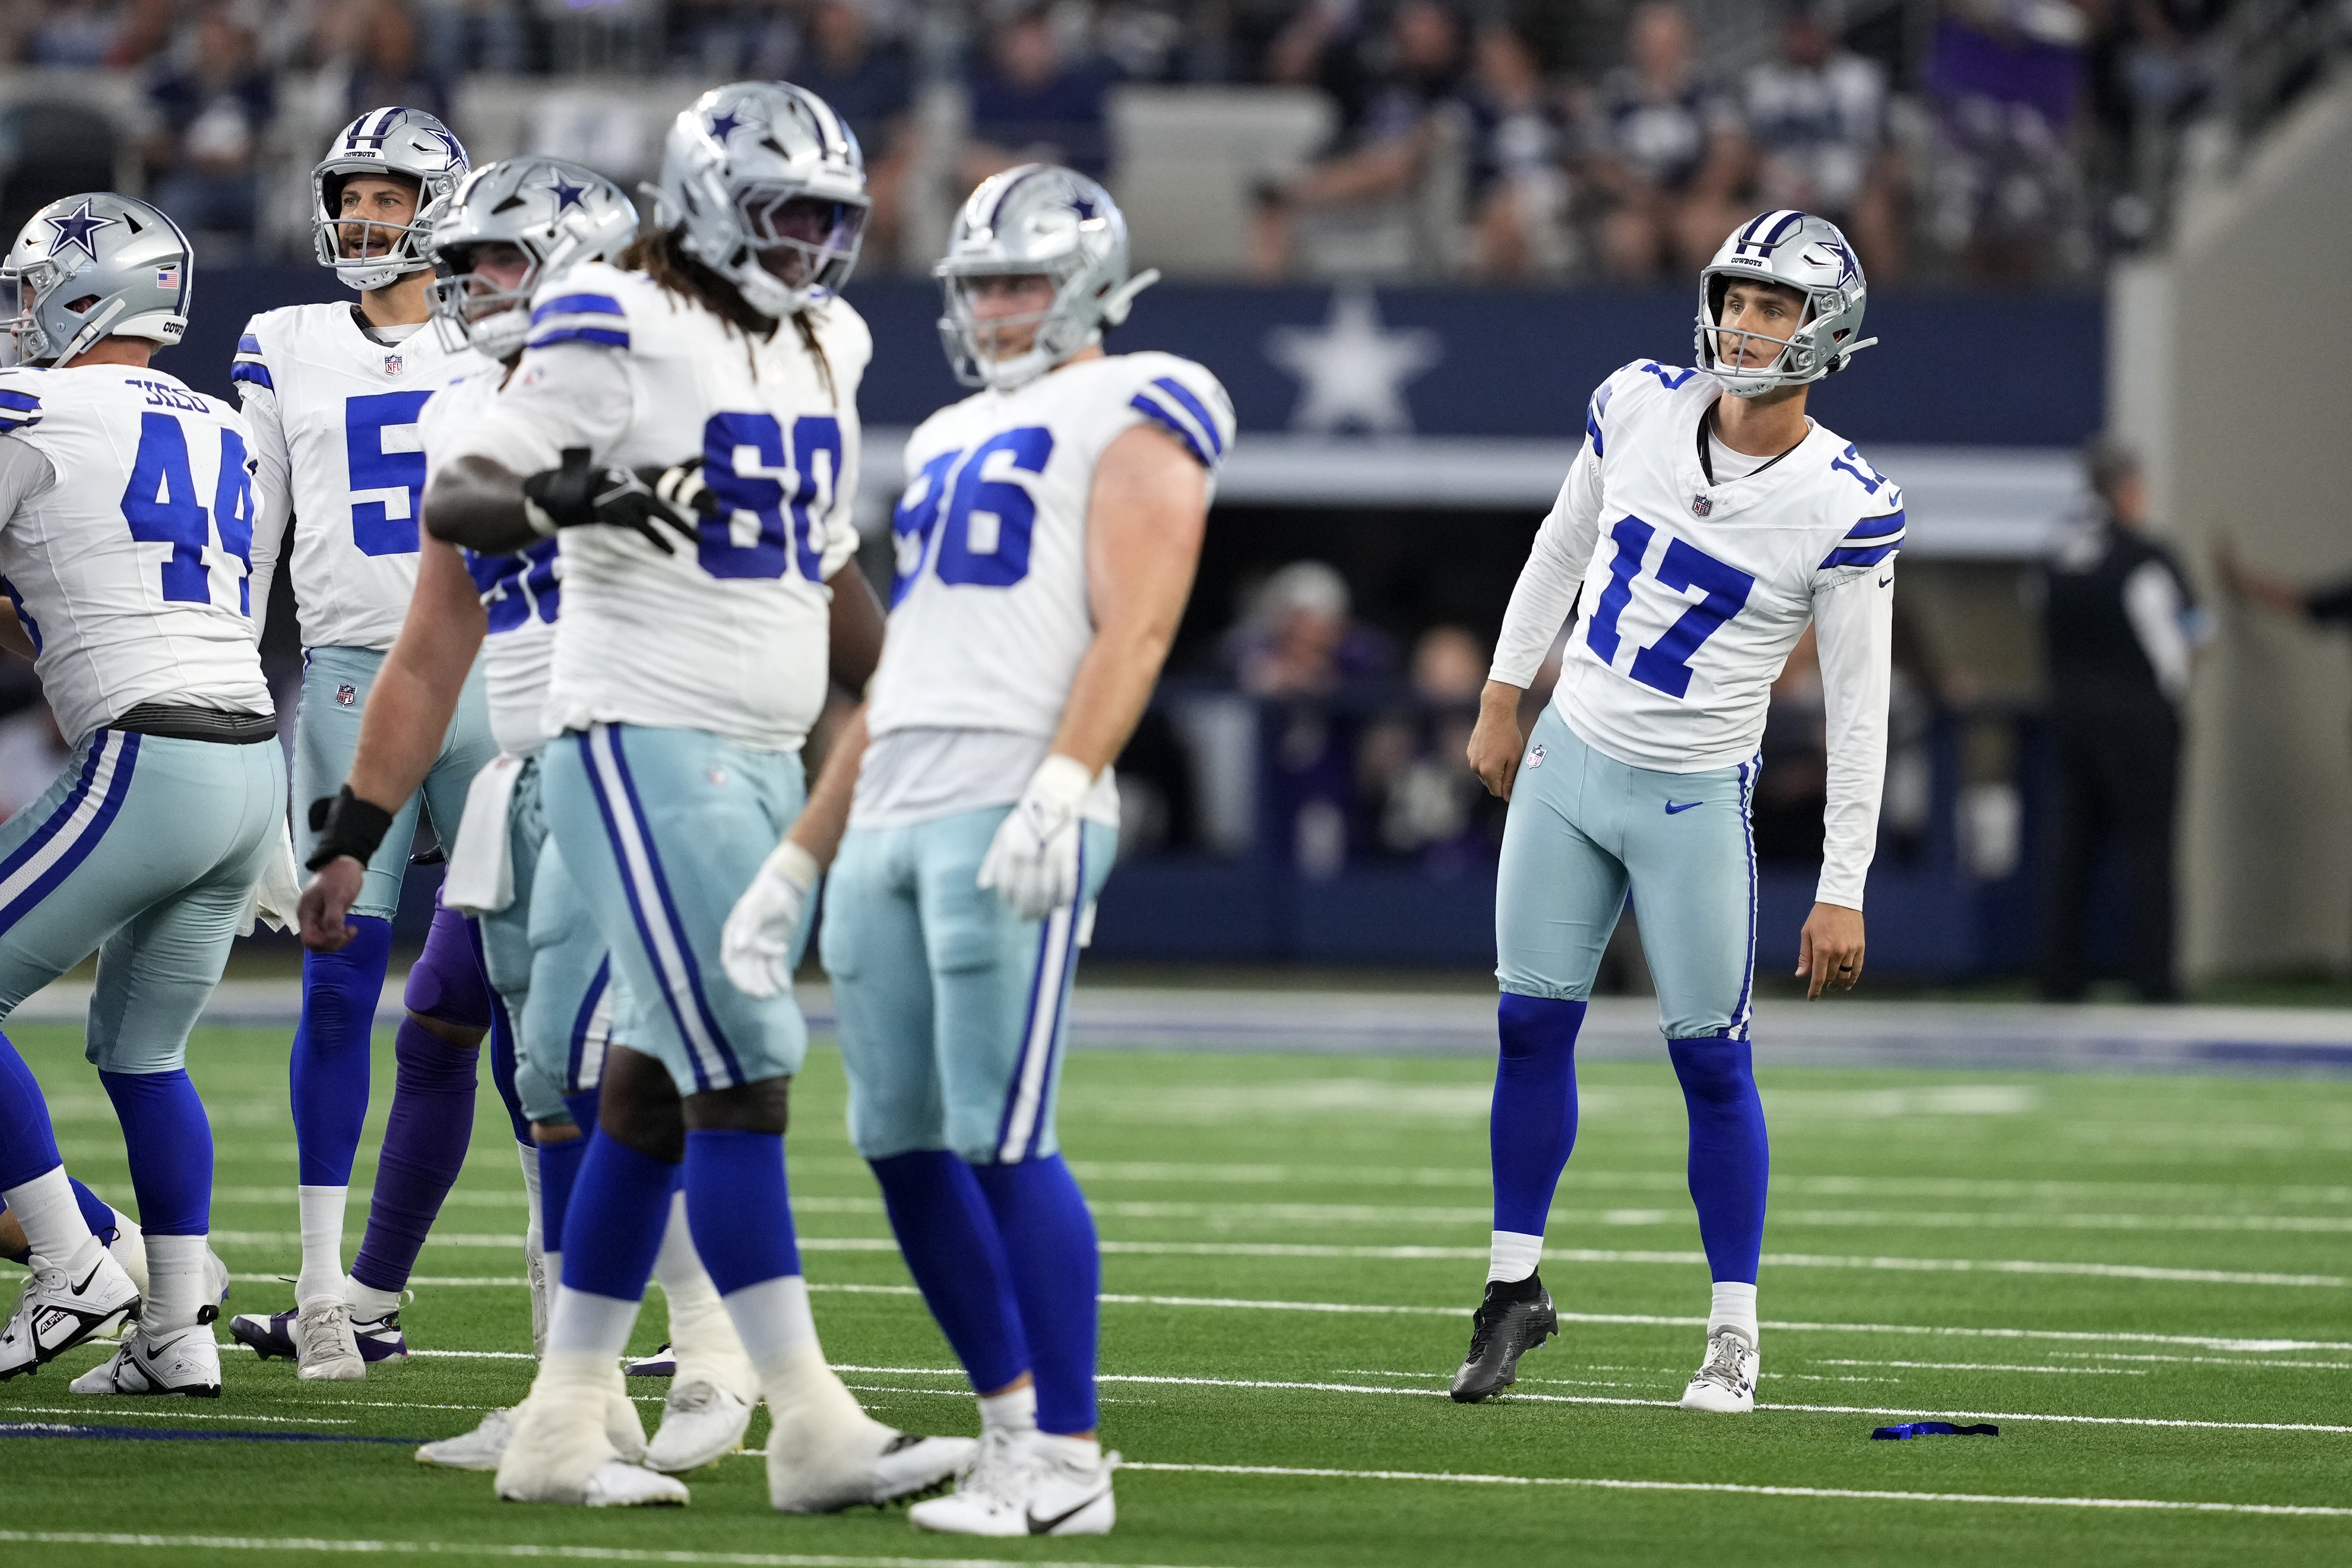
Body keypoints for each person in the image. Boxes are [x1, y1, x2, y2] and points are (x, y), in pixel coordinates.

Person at [412, 80, 970, 1510]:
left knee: (653, 1092)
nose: (811, 248)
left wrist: (919, 697)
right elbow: (466, 492)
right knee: (745, 1071)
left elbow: (819, 552)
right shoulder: (615, 313)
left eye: (832, 222)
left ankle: (558, 1426)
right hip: (639, 734)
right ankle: (806, 1419)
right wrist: (580, 494)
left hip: (762, 748)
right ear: (714, 200)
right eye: (788, 215)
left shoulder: (825, 337)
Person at [721, 163, 1230, 1538]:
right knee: (895, 1140)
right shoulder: (944, 434)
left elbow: (1138, 620)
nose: (995, 307)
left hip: (1012, 796)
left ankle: (1067, 1464)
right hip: (888, 808)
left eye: (1017, 280)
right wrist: (800, 856)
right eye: (979, 283)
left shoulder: (1143, 396)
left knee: (1005, 1137)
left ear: (1084, 283)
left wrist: (1064, 785)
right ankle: (1009, 1432)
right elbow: (900, 674)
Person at [296, 153, 765, 1476]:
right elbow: (430, 646)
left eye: (503, 261)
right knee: (544, 1072)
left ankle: (721, 1355)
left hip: (655, 764)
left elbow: (782, 582)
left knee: (642, 1071)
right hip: (525, 778)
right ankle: (585, 1392)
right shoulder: (468, 406)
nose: (471, 286)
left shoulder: (674, 386)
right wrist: (353, 830)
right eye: (468, 263)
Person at [1456, 209, 1896, 1412]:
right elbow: (1559, 546)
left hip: (1691, 793)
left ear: (1826, 329)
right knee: (1525, 1028)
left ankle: (1732, 1332)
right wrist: (1502, 696)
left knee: (1709, 1063)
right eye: (1737, 301)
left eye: (1775, 308)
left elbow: (1859, 709)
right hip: (1567, 756)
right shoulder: (1636, 401)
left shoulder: (1844, 499)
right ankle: (1509, 1291)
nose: (1746, 327)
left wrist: (1841, 881)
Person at [229, 106, 510, 1383]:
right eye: (352, 194)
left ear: (440, 207)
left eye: (391, 197)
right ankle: (325, 1293)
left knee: (520, 995)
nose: (363, 217)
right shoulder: (284, 340)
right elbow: (258, 543)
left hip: (494, 670)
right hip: (349, 673)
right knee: (340, 982)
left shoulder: (497, 327)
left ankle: (582, 1306)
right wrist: (238, 702)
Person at [0, 192, 290, 1396]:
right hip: (244, 766)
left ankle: (70, 1259)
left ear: (82, 293)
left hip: (149, 756)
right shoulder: (220, 422)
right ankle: (176, 1327)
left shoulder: (30, 405)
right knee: (142, 1053)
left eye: (30, 291)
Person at [2037, 436, 2204, 1003]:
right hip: (2140, 722)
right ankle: (2152, 977)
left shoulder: (2055, 556)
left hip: (2072, 719)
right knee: (2149, 851)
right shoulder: (2146, 556)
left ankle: (2061, 975)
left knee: (2073, 852)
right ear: (2128, 489)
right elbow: (2197, 634)